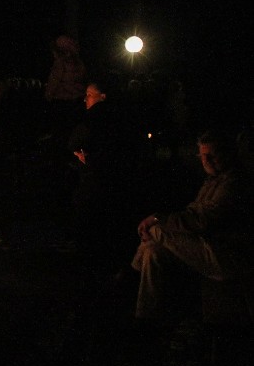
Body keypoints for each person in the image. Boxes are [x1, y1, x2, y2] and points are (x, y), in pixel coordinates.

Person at [130, 131, 252, 325]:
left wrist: (156, 218)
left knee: (156, 230)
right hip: (207, 247)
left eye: (212, 155)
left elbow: (202, 220)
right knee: (153, 252)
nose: (207, 161)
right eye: (203, 156)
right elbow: (192, 214)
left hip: (226, 255)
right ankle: (147, 318)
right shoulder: (213, 181)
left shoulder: (234, 183)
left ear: (228, 154)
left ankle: (129, 276)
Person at [68, 79, 139, 269]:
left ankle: (91, 264)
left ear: (103, 97)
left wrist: (87, 158)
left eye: (90, 95)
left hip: (97, 179)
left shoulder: (95, 117)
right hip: (120, 181)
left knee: (91, 218)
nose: (86, 100)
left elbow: (75, 141)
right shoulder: (126, 117)